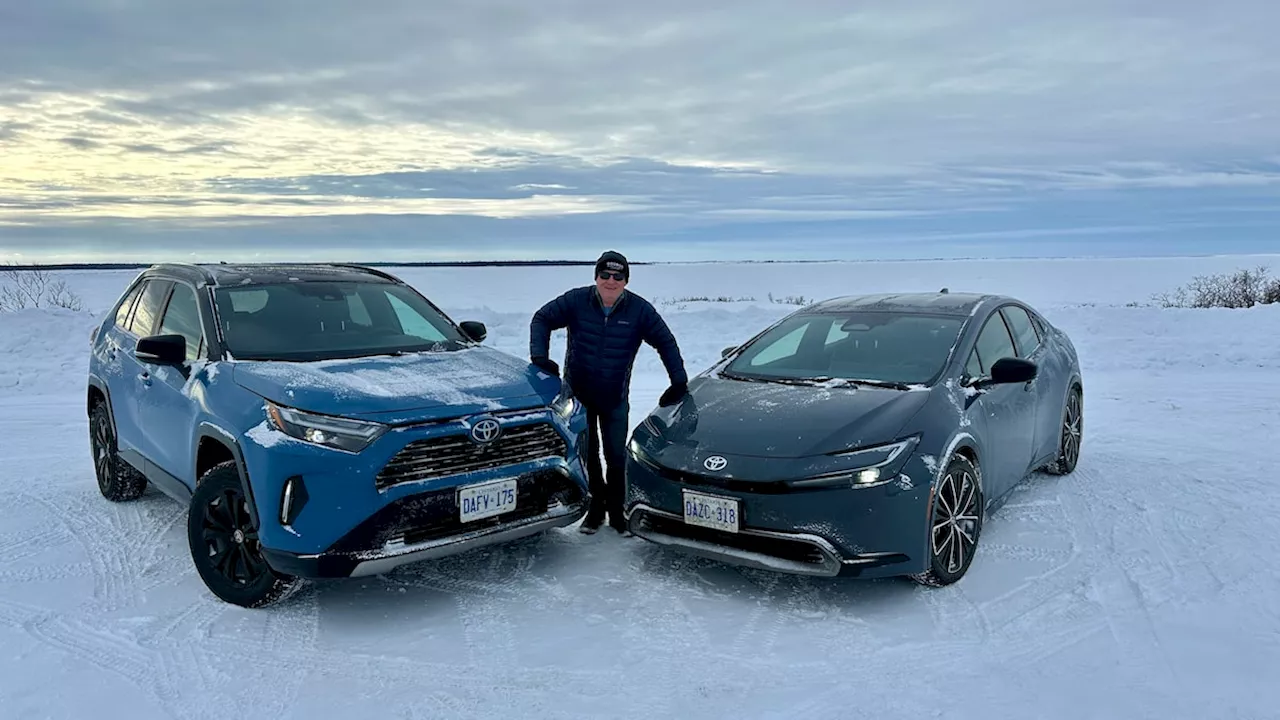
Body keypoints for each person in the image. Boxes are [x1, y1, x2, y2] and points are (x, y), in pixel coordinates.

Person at [529, 250, 689, 534]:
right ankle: (595, 509)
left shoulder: (639, 311)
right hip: (579, 398)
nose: (611, 281)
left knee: (616, 457)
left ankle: (618, 512)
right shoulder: (577, 301)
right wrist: (540, 358)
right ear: (596, 277)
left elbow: (665, 342)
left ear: (625, 281)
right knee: (588, 455)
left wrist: (678, 381)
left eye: (618, 276)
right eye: (605, 275)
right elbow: (541, 318)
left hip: (615, 398)